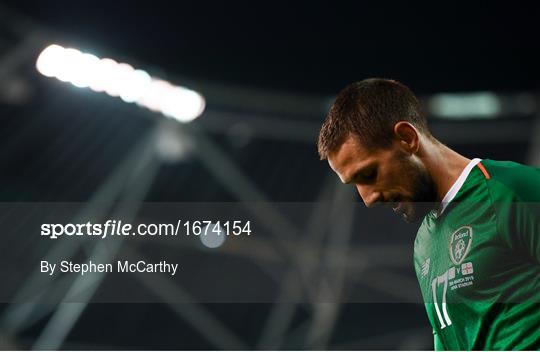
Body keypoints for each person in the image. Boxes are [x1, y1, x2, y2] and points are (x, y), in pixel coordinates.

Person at [317, 78, 540, 350]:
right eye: (355, 185)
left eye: (369, 174)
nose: (368, 198)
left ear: (408, 139)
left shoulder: (513, 191)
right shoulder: (424, 244)